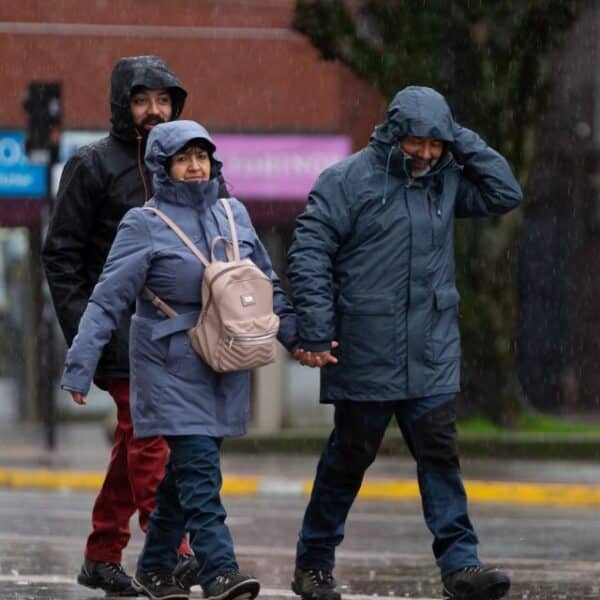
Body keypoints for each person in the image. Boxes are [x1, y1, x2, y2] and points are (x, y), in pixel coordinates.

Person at [287, 86, 523, 600]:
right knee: (347, 463)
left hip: (431, 355)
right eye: (419, 141)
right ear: (394, 133)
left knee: (441, 458)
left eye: (436, 144)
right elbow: (309, 253)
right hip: (365, 353)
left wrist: (455, 132)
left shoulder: (447, 180)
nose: (428, 154)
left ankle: (461, 565)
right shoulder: (346, 181)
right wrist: (314, 327)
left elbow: (506, 192)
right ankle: (313, 565)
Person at [60, 119, 298, 600]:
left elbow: (266, 287)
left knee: (180, 478)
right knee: (201, 473)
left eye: (201, 156)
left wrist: (300, 339)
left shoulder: (234, 214)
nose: (194, 167)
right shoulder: (143, 223)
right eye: (183, 158)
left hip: (224, 363)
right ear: (162, 167)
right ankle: (220, 571)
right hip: (168, 367)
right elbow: (107, 300)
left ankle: (153, 568)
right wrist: (80, 366)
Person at [41, 55, 216, 595]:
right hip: (118, 331)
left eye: (164, 100)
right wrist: (85, 340)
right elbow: (61, 255)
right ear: (123, 104)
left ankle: (101, 552)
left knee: (132, 443)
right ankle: (178, 550)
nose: (154, 112)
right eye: (142, 100)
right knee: (150, 438)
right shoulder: (92, 164)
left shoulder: (187, 162)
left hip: (179, 332)